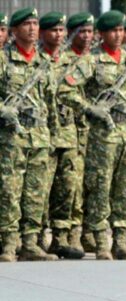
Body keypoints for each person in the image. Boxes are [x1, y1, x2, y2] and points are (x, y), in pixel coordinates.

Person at [58, 10, 126, 260]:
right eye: (112, 31)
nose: (118, 35)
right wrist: (89, 109)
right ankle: (100, 242)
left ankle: (121, 241)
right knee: (100, 187)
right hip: (104, 136)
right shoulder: (91, 61)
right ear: (102, 34)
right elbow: (65, 90)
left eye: (121, 30)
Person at [0, 7, 58, 262]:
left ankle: (31, 242)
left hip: (40, 136)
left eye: (35, 23)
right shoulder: (3, 60)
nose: (33, 28)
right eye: (26, 24)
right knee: (10, 191)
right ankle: (9, 243)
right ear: (14, 30)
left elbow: (51, 102)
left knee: (36, 191)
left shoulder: (43, 62)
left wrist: (53, 134)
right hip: (11, 137)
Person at [39, 11, 86, 259]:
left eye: (61, 30)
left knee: (67, 188)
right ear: (43, 33)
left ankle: (60, 237)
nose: (58, 35)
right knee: (39, 189)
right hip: (40, 134)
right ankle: (35, 239)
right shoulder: (36, 59)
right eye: (53, 30)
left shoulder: (73, 61)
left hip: (68, 133)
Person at [63, 11, 97, 254]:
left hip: (95, 132)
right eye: (81, 31)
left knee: (93, 183)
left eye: (90, 31)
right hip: (69, 130)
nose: (86, 36)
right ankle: (72, 234)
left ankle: (88, 232)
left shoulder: (97, 60)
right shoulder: (63, 60)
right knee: (71, 184)